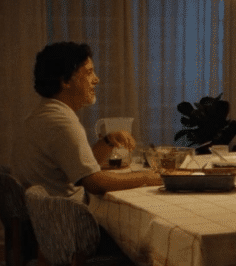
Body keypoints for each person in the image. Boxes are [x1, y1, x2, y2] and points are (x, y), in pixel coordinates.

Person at [14, 41, 161, 202]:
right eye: (89, 72)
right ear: (66, 81)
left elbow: (80, 168)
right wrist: (146, 177)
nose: (96, 79)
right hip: (68, 215)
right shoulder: (61, 122)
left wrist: (107, 142)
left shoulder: (43, 115)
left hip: (47, 213)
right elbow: (93, 182)